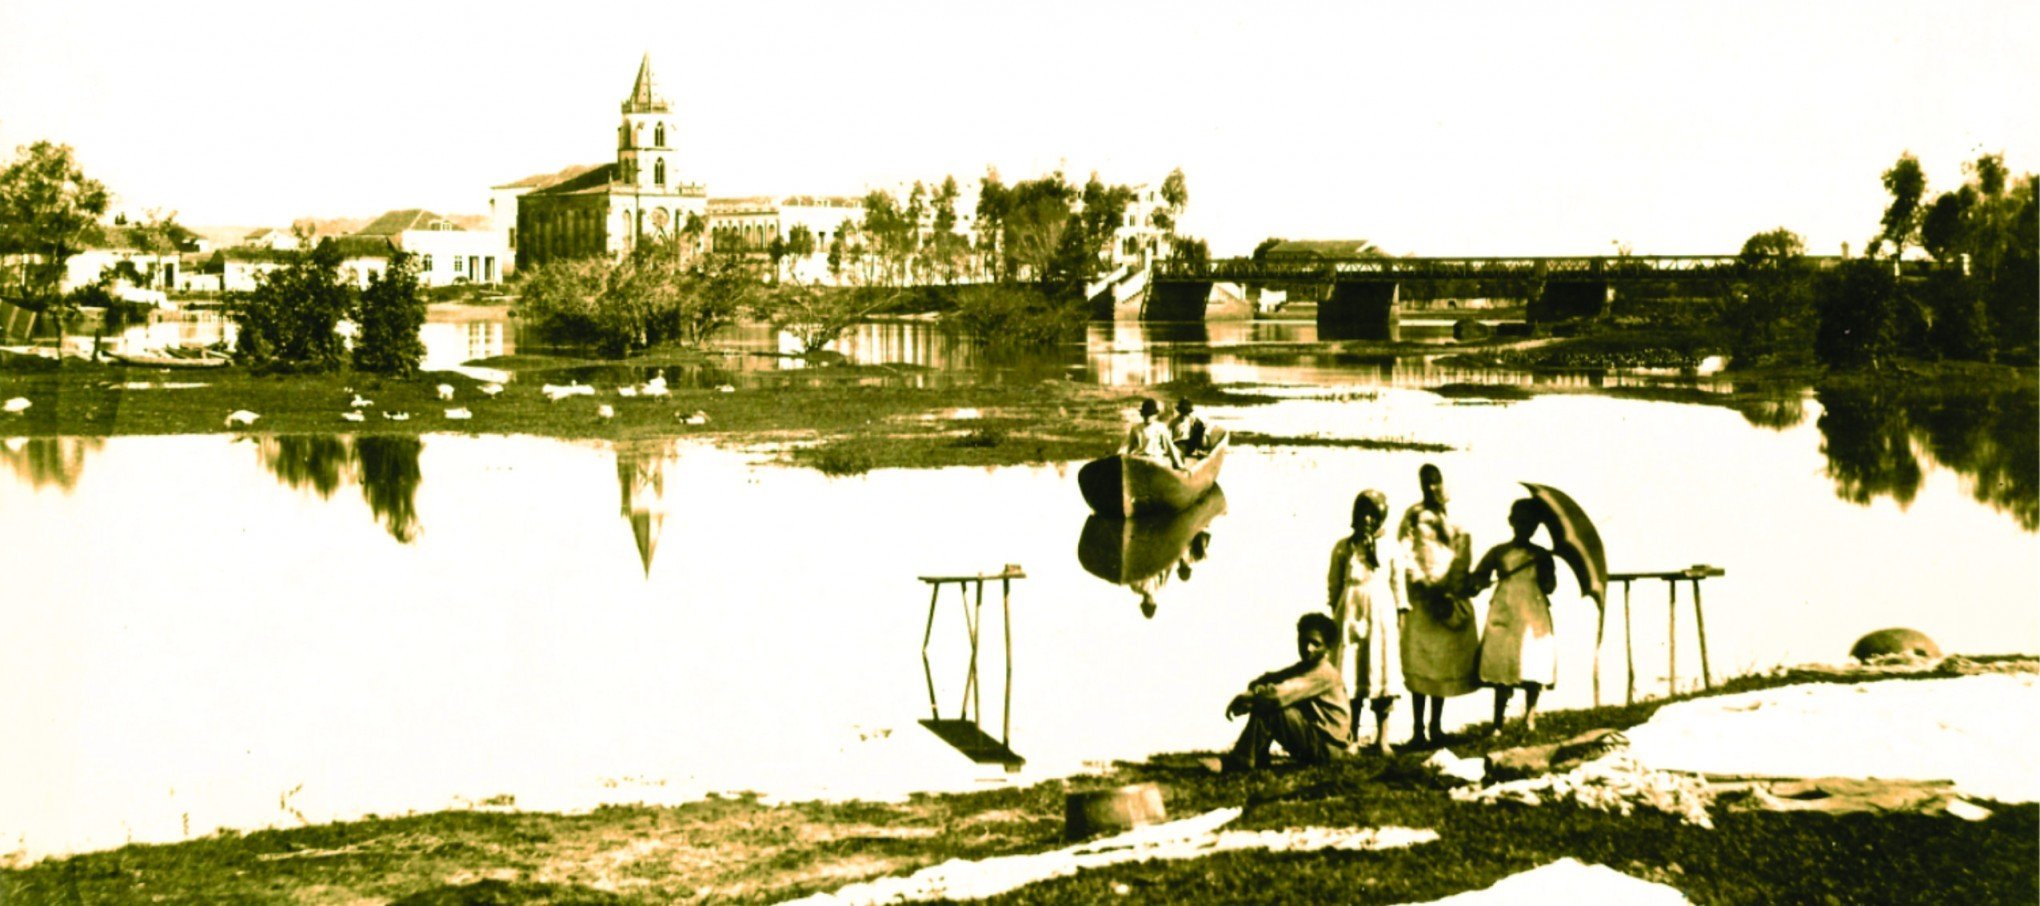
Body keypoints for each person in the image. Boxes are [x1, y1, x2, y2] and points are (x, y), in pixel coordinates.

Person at [1397, 463, 1479, 748]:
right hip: (1422, 598)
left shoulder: (1458, 521)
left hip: (1446, 599)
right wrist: (1421, 583)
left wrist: (1451, 591)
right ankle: (1418, 729)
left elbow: (1463, 558)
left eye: (1435, 482)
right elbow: (1404, 554)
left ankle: (1436, 727)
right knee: (1421, 663)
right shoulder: (1414, 515)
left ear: (1444, 483)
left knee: (1442, 663)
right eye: (1426, 483)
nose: (1431, 488)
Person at [1469, 498, 1560, 733]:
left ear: (1536, 527)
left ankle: (1530, 715)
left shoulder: (1541, 555)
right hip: (1505, 611)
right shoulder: (1499, 552)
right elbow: (1478, 577)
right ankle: (1498, 721)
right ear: (1511, 522)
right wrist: (1480, 582)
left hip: (1532, 612)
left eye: (1530, 524)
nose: (1524, 527)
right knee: (1503, 662)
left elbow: (1550, 586)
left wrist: (1543, 568)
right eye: (1520, 522)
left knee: (1532, 659)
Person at [1220, 612, 1351, 772]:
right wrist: (1255, 690)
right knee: (1267, 700)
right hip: (1317, 742)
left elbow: (1279, 694)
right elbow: (1272, 679)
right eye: (1304, 641)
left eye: (1315, 644)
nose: (1308, 648)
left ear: (1328, 647)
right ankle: (1257, 758)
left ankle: (1240, 761)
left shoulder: (1324, 673)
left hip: (1326, 750)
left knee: (1273, 708)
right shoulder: (1306, 667)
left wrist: (1250, 697)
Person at [1328, 490, 1406, 754]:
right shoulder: (1344, 547)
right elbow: (1334, 585)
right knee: (1351, 671)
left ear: (1383, 516)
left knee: (1380, 670)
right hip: (1349, 613)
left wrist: (1400, 625)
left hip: (1381, 616)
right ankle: (1351, 737)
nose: (1367, 519)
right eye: (1363, 513)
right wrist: (1337, 617)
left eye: (1374, 514)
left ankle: (1382, 739)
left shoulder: (1392, 548)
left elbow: (1399, 590)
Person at [1122, 397, 1185, 469]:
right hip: (1140, 460)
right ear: (1142, 415)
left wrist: (1179, 464)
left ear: (1155, 415)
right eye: (1145, 414)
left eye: (1150, 414)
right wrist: (1119, 457)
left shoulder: (1161, 427)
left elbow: (1170, 447)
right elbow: (1126, 446)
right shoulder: (1136, 428)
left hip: (1155, 460)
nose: (1148, 417)